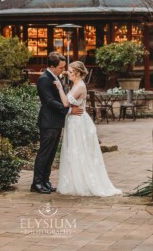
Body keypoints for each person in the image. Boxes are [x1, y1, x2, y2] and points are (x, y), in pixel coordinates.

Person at [54, 61, 122, 197]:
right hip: (74, 120)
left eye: (71, 72)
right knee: (74, 151)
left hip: (78, 122)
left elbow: (66, 103)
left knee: (79, 151)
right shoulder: (77, 84)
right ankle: (74, 181)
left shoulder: (79, 86)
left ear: (78, 73)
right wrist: (65, 73)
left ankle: (83, 182)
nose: (69, 74)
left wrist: (60, 88)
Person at [31, 52, 83, 194]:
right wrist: (68, 111)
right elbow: (49, 101)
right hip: (48, 122)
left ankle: (45, 181)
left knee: (51, 154)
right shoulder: (44, 79)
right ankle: (36, 183)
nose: (64, 70)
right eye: (61, 67)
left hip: (56, 122)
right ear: (52, 67)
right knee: (44, 153)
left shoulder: (55, 76)